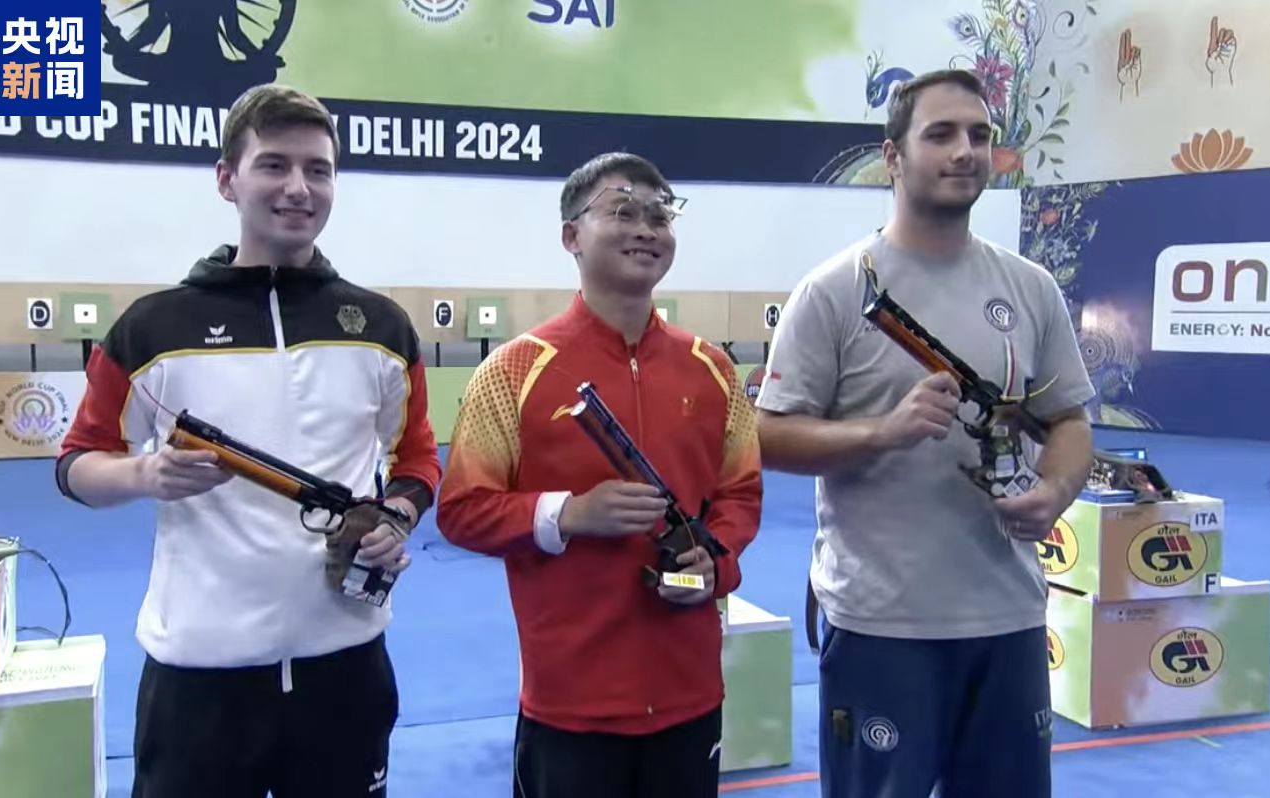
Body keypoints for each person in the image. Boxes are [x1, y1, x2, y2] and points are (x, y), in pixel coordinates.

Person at [54, 83, 441, 798]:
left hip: (347, 662)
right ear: (228, 180)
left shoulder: (382, 326)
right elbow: (77, 464)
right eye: (274, 165)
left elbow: (416, 459)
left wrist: (397, 518)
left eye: (318, 170)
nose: (298, 187)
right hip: (199, 674)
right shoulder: (151, 328)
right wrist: (146, 476)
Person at [754, 69, 1096, 798]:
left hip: (1008, 615)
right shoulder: (836, 290)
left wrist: (1056, 490)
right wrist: (882, 432)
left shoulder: (1030, 288)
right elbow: (764, 438)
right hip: (883, 625)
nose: (964, 151)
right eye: (939, 134)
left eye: (979, 135)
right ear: (893, 156)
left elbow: (1068, 420)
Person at [436, 152, 763, 798]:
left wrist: (713, 565)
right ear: (571, 236)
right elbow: (462, 508)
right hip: (570, 705)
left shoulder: (714, 371)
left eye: (659, 215)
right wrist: (567, 515)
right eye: (623, 211)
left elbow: (740, 494)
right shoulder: (511, 372)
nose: (646, 227)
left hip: (690, 693)